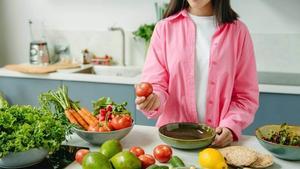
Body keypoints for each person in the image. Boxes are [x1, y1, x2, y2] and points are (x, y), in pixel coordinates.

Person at [135, 0, 259, 147]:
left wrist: (230, 126)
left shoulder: (238, 32)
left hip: (218, 145)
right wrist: (154, 99)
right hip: (173, 143)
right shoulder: (164, 28)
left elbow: (245, 96)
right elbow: (156, 85)